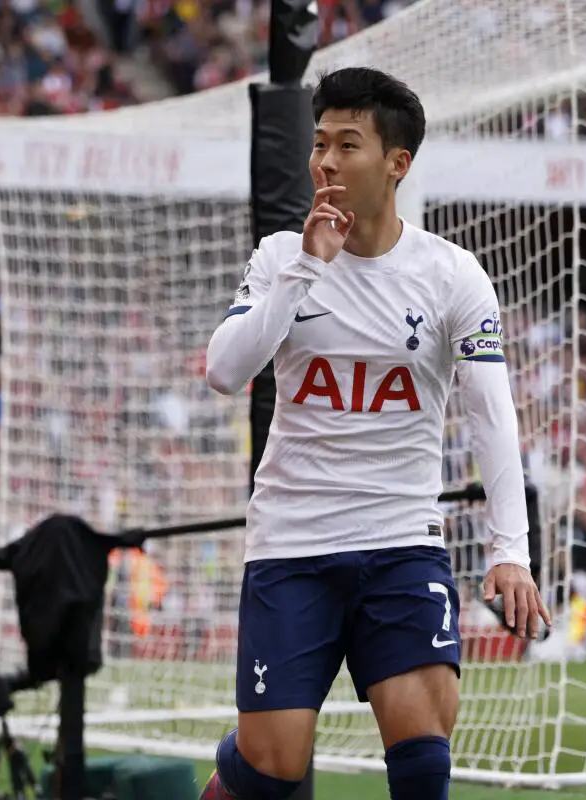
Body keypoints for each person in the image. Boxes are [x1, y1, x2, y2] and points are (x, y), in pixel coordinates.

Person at [201, 67, 550, 800]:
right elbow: (224, 373)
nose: (325, 160)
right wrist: (305, 269)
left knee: (424, 753)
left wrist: (511, 553)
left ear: (397, 163)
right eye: (320, 142)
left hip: (402, 544)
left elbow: (492, 415)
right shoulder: (277, 258)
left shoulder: (452, 275)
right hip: (293, 543)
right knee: (272, 766)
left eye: (347, 145)